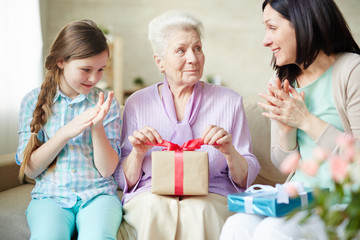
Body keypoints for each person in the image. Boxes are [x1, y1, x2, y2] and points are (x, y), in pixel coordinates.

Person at [114, 10, 260, 240]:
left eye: (198, 48)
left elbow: (245, 176)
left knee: (201, 211)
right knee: (153, 209)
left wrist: (229, 151)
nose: (193, 58)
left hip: (212, 192)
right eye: (181, 50)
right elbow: (123, 178)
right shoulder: (136, 103)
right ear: (160, 62)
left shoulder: (230, 101)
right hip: (151, 192)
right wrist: (138, 153)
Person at [219, 0, 360, 239]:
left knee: (273, 231)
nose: (265, 40)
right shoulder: (286, 78)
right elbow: (283, 161)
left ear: (303, 23)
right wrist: (286, 131)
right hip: (298, 197)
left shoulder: (352, 71)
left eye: (272, 28)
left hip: (343, 204)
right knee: (236, 226)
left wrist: (305, 121)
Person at [15, 20, 123, 240]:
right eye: (86, 69)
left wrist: (97, 125)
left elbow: (107, 170)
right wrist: (66, 132)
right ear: (61, 61)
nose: (94, 78)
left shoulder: (106, 104)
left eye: (100, 69)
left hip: (98, 196)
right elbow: (30, 170)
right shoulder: (31, 101)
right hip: (49, 198)